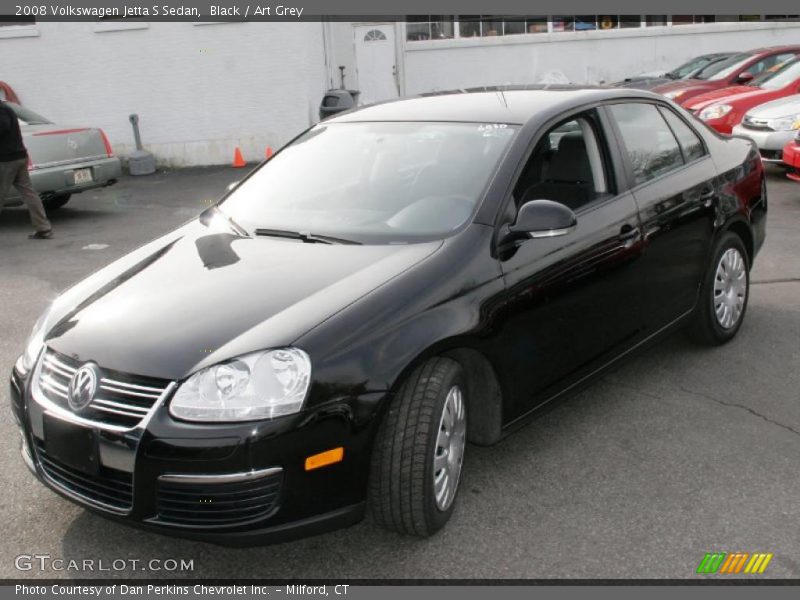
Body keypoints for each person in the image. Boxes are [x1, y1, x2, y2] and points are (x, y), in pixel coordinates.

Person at [0, 98, 52, 239]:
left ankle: (43, 228)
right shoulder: (8, 109)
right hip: (19, 157)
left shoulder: (2, 110)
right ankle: (43, 228)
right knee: (29, 193)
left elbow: (3, 127)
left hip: (7, 160)